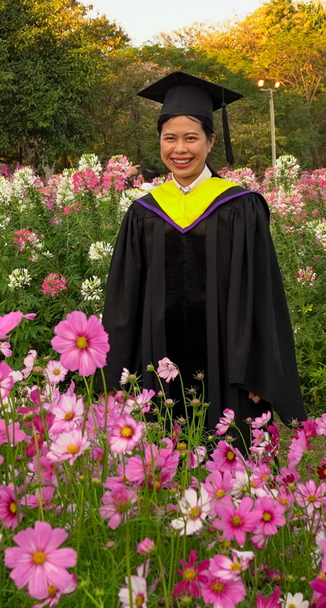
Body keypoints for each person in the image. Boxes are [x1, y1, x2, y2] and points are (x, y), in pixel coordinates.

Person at [101, 71, 306, 433]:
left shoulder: (240, 207)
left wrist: (259, 371)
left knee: (229, 456)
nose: (180, 149)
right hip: (157, 359)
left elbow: (261, 293)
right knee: (164, 453)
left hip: (227, 362)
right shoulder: (144, 212)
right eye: (170, 138)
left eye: (191, 138)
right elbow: (124, 298)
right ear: (159, 141)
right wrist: (115, 373)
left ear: (210, 141)